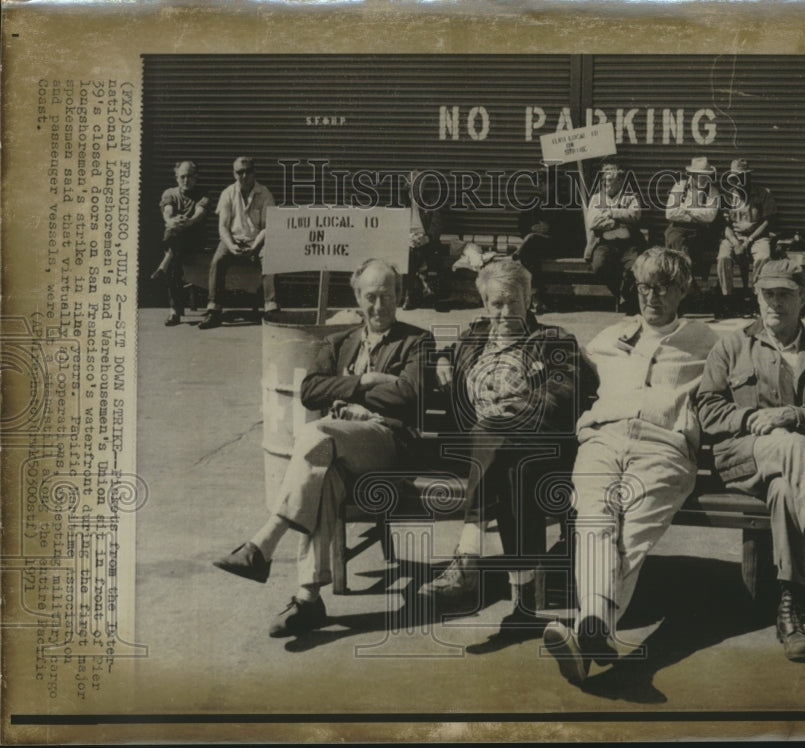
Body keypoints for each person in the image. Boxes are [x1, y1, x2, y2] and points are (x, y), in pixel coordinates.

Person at [213, 259, 431, 637]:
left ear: (400, 295)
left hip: (387, 444)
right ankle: (307, 598)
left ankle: (264, 543)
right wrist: (367, 380)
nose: (379, 306)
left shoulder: (417, 341)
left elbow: (408, 393)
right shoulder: (338, 342)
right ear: (357, 297)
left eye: (387, 295)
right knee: (322, 471)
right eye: (370, 297)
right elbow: (310, 390)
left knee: (316, 434)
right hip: (336, 447)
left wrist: (357, 400)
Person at [543, 246, 718, 685]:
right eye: (644, 286)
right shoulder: (608, 338)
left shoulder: (709, 343)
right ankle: (596, 630)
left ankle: (591, 627)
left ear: (683, 290)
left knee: (631, 533)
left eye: (663, 288)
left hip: (664, 449)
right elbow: (569, 375)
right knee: (594, 521)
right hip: (603, 438)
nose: (651, 297)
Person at [696, 258, 805, 662]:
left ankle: (789, 611)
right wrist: (749, 418)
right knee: (790, 444)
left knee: (783, 488)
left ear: (803, 298)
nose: (774, 303)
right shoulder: (732, 346)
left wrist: (792, 415)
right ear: (757, 297)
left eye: (785, 294)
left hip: (797, 476)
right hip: (741, 461)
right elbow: (707, 408)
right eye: (767, 294)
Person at [417, 258, 588, 643]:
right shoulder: (473, 339)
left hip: (540, 446)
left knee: (497, 432)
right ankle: (525, 608)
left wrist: (520, 414)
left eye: (513, 301)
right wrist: (442, 359)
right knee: (512, 472)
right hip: (494, 457)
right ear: (484, 304)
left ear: (529, 300)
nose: (505, 311)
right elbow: (432, 355)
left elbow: (566, 391)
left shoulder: (553, 339)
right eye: (496, 303)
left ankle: (468, 555)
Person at [200, 156, 279, 329]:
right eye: (239, 172)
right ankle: (214, 310)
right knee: (217, 261)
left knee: (270, 259)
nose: (244, 176)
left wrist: (254, 247)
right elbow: (223, 227)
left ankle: (270, 308)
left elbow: (267, 228)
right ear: (234, 173)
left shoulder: (265, 194)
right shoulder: (227, 193)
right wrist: (231, 246)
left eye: (248, 172)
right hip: (233, 240)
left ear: (254, 172)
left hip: (256, 241)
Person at [583, 157, 643, 315]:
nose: (606, 183)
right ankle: (622, 294)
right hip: (605, 244)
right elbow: (593, 222)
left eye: (610, 180)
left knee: (634, 268)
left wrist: (610, 213)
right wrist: (616, 223)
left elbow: (634, 214)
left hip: (628, 245)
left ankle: (628, 299)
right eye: (604, 180)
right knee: (599, 266)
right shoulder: (597, 198)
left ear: (620, 180)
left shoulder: (631, 196)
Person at [663, 156, 723, 316]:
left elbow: (710, 216)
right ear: (692, 175)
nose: (702, 179)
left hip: (701, 232)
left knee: (686, 256)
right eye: (698, 175)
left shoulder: (713, 192)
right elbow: (670, 213)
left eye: (705, 175)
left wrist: (686, 209)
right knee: (679, 250)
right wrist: (695, 215)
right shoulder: (679, 187)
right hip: (679, 230)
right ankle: (690, 292)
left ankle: (688, 292)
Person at [718, 158, 778, 314]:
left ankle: (756, 297)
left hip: (757, 236)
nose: (738, 181)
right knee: (723, 257)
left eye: (741, 177)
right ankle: (727, 300)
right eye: (734, 178)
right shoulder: (727, 196)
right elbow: (724, 225)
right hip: (733, 237)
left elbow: (767, 222)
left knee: (763, 257)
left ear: (748, 177)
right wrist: (736, 242)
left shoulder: (763, 194)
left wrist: (748, 241)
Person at [154, 161, 211, 327]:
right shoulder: (170, 193)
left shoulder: (203, 193)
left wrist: (188, 222)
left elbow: (199, 215)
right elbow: (168, 211)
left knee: (172, 245)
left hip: (196, 239)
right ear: (176, 177)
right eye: (182, 176)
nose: (186, 180)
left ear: (196, 177)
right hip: (177, 240)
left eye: (190, 176)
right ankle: (174, 311)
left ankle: (174, 310)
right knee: (174, 264)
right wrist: (172, 221)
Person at [402, 170, 449, 311]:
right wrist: (406, 237)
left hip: (426, 239)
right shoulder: (400, 201)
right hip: (406, 238)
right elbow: (392, 224)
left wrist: (426, 238)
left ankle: (417, 294)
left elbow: (437, 225)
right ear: (409, 186)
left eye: (422, 185)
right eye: (416, 185)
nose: (419, 188)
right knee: (410, 252)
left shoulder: (432, 200)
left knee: (421, 252)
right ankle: (410, 294)